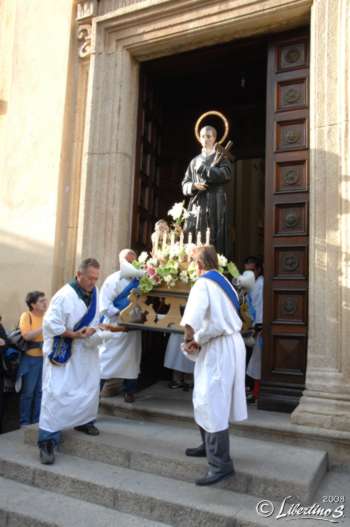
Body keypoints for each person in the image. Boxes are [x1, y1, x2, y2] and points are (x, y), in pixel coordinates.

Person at [181, 245, 247, 486]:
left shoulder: (202, 283)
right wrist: (198, 340)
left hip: (219, 347)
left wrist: (190, 339)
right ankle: (207, 446)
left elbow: (191, 321)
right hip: (226, 344)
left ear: (198, 265)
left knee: (213, 400)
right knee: (204, 397)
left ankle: (221, 465)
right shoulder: (225, 282)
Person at [38, 258, 102, 465]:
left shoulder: (96, 292)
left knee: (88, 387)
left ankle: (83, 421)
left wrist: (92, 329)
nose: (93, 282)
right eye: (90, 278)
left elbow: (96, 318)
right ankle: (47, 440)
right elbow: (50, 324)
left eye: (96, 278)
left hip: (86, 352)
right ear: (78, 275)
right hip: (64, 351)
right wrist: (73, 335)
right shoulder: (63, 296)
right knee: (56, 393)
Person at [99, 249, 144, 403]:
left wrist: (134, 316)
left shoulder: (142, 280)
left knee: (131, 362)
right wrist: (122, 314)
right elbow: (104, 305)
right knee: (105, 361)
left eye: (133, 260)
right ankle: (95, 391)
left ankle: (129, 391)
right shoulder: (112, 280)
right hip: (113, 327)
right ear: (121, 261)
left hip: (131, 329)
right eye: (127, 260)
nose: (131, 263)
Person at [182, 126, 232, 254]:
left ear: (215, 138)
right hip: (198, 203)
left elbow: (225, 174)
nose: (205, 139)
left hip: (215, 201)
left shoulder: (222, 157)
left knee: (215, 233)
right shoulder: (194, 161)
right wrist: (193, 186)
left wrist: (204, 169)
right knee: (195, 234)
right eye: (203, 136)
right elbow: (185, 184)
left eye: (208, 136)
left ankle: (215, 262)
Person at [17, 291, 47, 426]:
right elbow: (27, 336)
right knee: (28, 392)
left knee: (40, 392)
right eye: (41, 301)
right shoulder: (26, 316)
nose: (45, 303)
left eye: (45, 300)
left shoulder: (48, 316)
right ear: (33, 304)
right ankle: (24, 423)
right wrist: (44, 327)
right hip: (30, 359)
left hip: (45, 359)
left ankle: (37, 421)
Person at [244, 256, 264, 402]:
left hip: (258, 327)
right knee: (249, 359)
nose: (249, 274)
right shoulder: (248, 284)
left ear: (259, 269)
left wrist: (258, 327)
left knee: (257, 360)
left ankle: (256, 393)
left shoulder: (261, 284)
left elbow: (261, 307)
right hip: (248, 325)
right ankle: (249, 390)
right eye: (246, 271)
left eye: (252, 270)